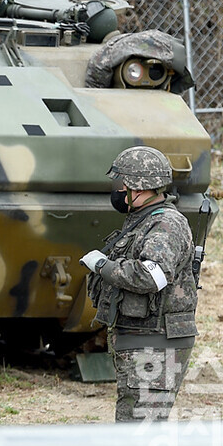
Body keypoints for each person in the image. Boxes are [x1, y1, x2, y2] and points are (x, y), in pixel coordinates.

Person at [80, 145, 198, 422]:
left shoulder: (165, 224)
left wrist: (102, 265)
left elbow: (151, 275)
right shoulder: (142, 220)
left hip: (155, 343)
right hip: (142, 339)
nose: (118, 190)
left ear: (141, 188)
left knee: (139, 432)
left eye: (123, 184)